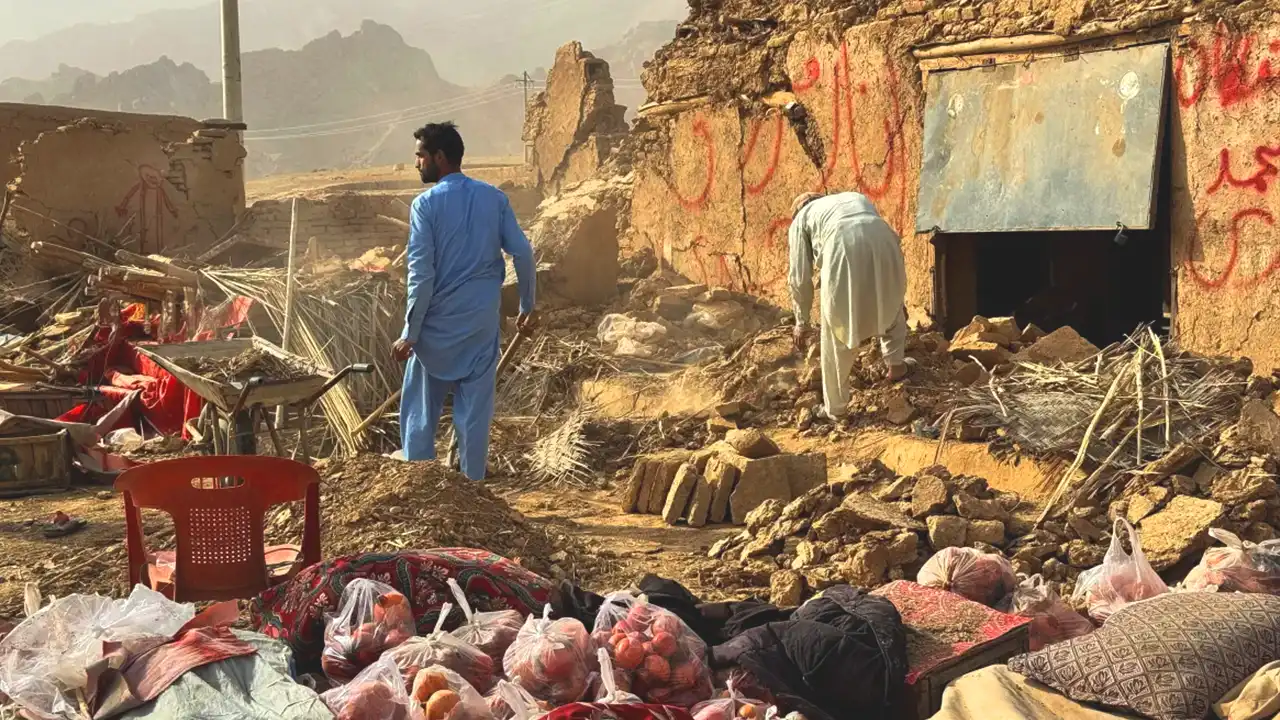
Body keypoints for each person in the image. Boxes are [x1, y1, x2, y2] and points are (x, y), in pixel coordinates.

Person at [392, 122, 536, 480]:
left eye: (420, 156)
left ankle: (421, 489)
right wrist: (527, 306)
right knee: (474, 418)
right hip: (479, 326)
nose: (416, 164)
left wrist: (411, 332)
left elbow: (421, 274)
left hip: (435, 332)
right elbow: (522, 253)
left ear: (439, 157)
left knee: (419, 415)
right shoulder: (494, 198)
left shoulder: (424, 205)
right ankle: (475, 492)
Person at [788, 191, 908, 420]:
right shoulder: (850, 197)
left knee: (837, 325)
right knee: (888, 299)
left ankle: (835, 409)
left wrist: (801, 321)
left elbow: (799, 277)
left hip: (841, 241)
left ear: (798, 209)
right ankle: (897, 366)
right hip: (884, 236)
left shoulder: (801, 219)